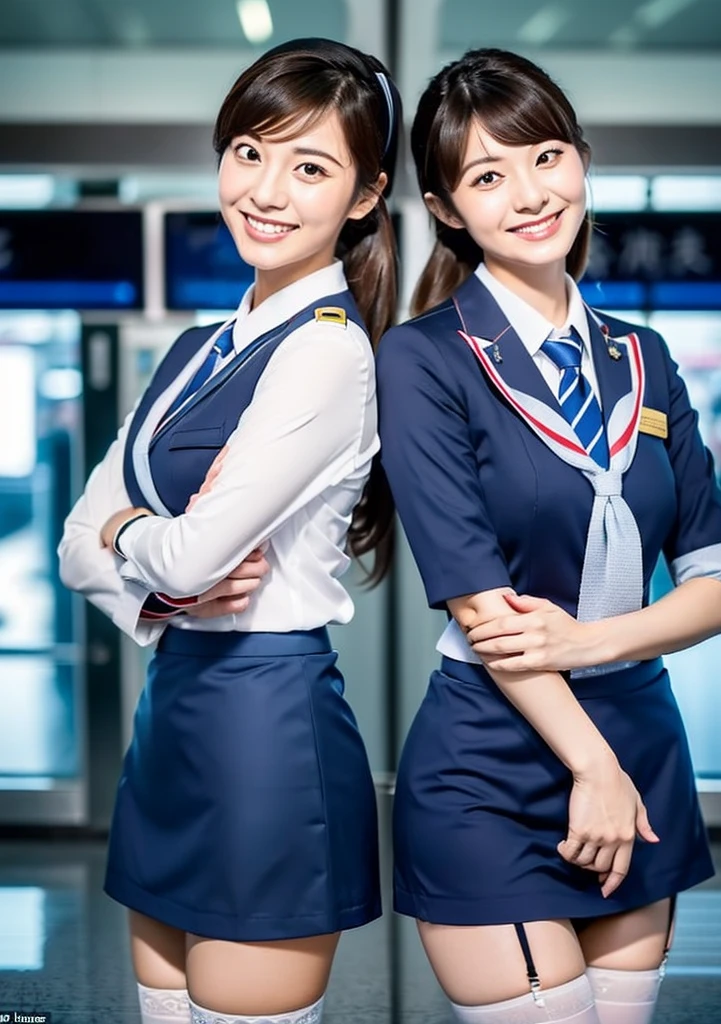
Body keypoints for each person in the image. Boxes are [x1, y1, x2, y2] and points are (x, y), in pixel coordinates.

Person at [376, 48, 721, 1024]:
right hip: (492, 752)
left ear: (580, 158)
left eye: (545, 156)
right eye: (488, 175)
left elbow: (718, 583)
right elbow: (478, 597)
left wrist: (595, 644)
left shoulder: (644, 355)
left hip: (641, 737)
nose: (530, 192)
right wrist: (592, 765)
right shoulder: (423, 360)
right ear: (448, 207)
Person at [58, 37, 401, 1024]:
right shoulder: (198, 347)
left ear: (367, 195)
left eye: (311, 166)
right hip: (170, 717)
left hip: (268, 730)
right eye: (250, 150)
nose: (267, 188)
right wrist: (140, 545)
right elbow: (75, 540)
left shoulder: (329, 357)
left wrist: (134, 536)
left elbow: (189, 553)